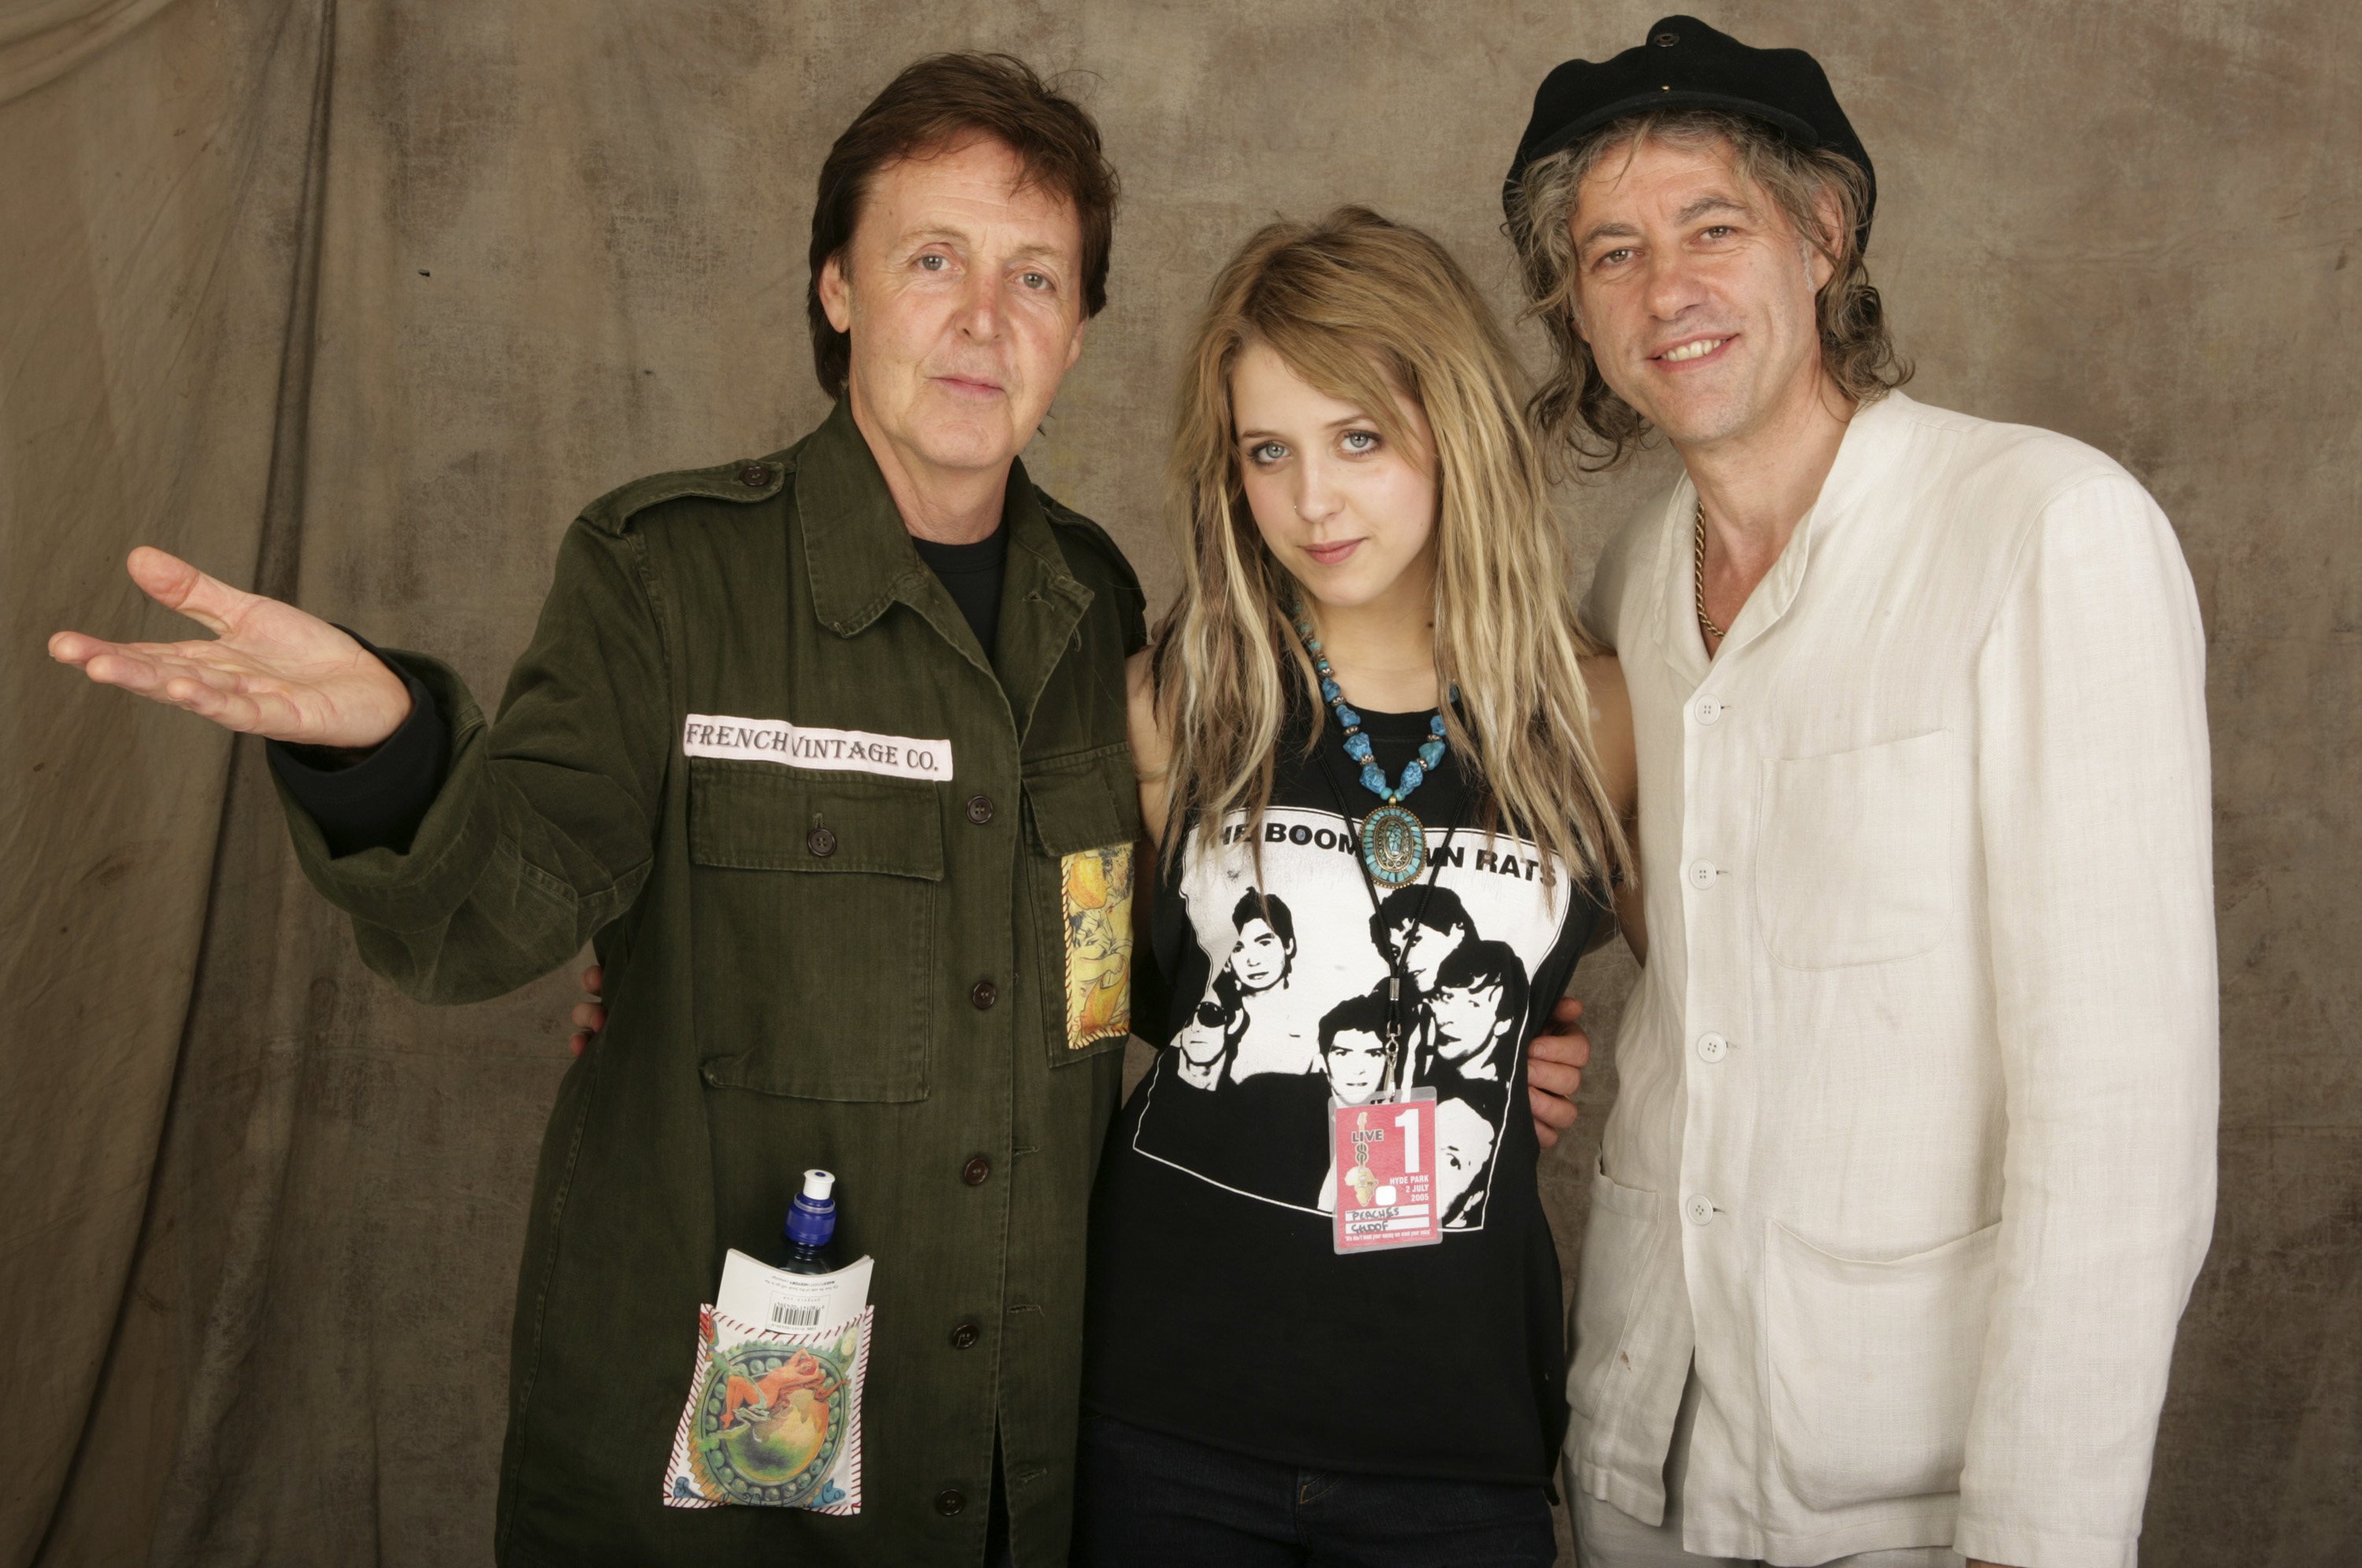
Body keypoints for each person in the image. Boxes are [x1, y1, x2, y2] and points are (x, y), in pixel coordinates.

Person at [52, 52, 1142, 1568]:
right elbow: (493, 911)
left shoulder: (1104, 610)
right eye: (933, 258)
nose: (984, 318)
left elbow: (1132, 947)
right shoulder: (662, 576)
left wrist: (1456, 999)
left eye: (1038, 276)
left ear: (1079, 328)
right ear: (837, 289)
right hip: (721, 1476)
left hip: (1022, 1452)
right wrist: (386, 744)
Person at [1501, 17, 2218, 1568]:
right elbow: (1670, 945)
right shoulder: (1634, 584)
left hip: (1912, 1489)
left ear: (1825, 235)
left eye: (1711, 228)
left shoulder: (2042, 535)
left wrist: (2033, 1544)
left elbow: (2122, 1134)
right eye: (1610, 252)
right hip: (1641, 1448)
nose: (1664, 289)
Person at [1072, 207, 1642, 1566]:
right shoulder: (1171, 704)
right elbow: (1082, 1002)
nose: (1312, 501)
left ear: (1453, 428)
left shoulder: (1601, 721)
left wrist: (1524, 1059)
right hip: (1162, 1413)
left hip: (1453, 1439)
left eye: (1359, 440)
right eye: (1269, 451)